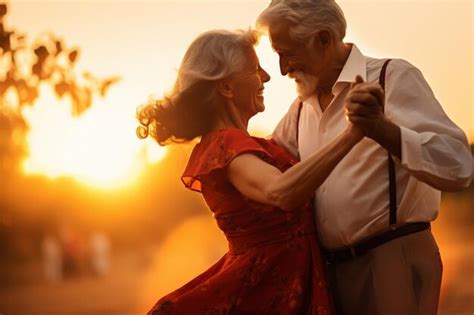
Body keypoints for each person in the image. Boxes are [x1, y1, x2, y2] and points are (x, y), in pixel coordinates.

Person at [256, 1, 473, 315]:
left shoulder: (392, 76)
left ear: (324, 39)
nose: (282, 68)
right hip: (330, 274)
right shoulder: (300, 107)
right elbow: (269, 168)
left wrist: (381, 129)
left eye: (287, 52)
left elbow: (459, 167)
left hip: (391, 260)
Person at [137, 29, 373, 315]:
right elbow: (280, 191)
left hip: (284, 281)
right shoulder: (225, 143)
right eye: (254, 69)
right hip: (265, 289)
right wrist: (353, 133)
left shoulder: (247, 144)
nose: (267, 77)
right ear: (226, 87)